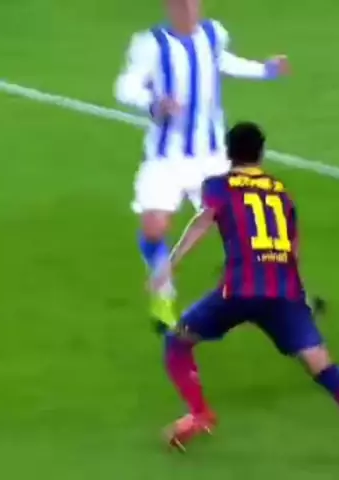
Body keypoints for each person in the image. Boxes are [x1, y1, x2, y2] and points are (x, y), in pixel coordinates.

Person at [149, 122, 339, 463]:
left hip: (238, 291)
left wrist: (169, 265)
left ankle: (200, 414)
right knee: (324, 368)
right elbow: (292, 250)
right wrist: (301, 295)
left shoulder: (218, 186)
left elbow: (204, 221)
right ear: (261, 153)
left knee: (177, 340)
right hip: (284, 293)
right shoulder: (281, 193)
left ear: (228, 152)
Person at [115, 0, 290, 331]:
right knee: (154, 228)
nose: (190, 9)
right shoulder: (150, 44)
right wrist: (154, 102)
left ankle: (283, 294)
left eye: (194, 3)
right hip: (166, 157)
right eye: (182, 4)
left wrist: (266, 69)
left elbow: (224, 62)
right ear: (170, 6)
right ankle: (163, 293)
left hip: (211, 157)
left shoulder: (213, 34)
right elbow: (126, 86)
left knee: (248, 228)